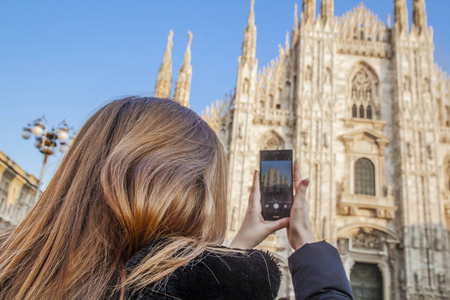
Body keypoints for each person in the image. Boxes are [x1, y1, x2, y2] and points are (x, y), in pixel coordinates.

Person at [0, 97, 354, 300]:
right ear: (197, 199)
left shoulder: (14, 274)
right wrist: (311, 251)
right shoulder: (229, 288)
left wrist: (235, 249)